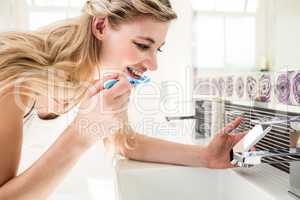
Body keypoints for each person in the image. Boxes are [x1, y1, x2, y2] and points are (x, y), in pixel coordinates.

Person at [0, 0, 245, 199]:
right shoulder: (16, 79)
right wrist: (81, 134)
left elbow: (125, 142)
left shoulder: (93, 75)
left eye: (157, 49)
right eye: (141, 45)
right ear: (100, 27)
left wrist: (206, 156)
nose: (153, 64)